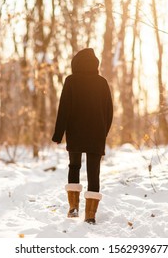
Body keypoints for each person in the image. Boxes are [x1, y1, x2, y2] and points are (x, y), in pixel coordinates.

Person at [52, 48, 113, 224]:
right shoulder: (102, 83)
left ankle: (73, 208)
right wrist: (103, 131)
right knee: (94, 172)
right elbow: (109, 112)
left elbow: (64, 109)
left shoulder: (70, 81)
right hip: (96, 133)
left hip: (75, 132)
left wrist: (58, 134)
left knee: (74, 166)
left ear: (75, 63)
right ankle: (90, 215)